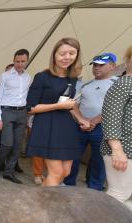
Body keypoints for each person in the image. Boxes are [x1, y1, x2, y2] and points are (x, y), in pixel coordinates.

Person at [26, 38, 83, 187]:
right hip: (47, 126)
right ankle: (45, 209)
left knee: (65, 172)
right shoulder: (42, 77)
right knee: (56, 172)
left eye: (72, 53)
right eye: (62, 53)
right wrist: (57, 106)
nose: (67, 57)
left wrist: (81, 118)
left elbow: (69, 105)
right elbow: (30, 108)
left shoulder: (73, 79)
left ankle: (40, 199)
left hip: (67, 128)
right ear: (54, 55)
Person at [64, 53, 118, 190]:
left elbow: (118, 107)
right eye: (95, 65)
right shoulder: (87, 85)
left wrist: (94, 121)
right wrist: (82, 120)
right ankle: (68, 184)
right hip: (80, 127)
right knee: (72, 156)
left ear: (112, 66)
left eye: (101, 65)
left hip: (103, 128)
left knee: (99, 160)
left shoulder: (118, 84)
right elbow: (74, 104)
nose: (96, 68)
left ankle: (95, 188)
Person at [0, 49, 31, 184]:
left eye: (22, 61)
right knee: (7, 144)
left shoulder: (28, 77)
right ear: (13, 61)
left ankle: (9, 172)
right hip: (6, 112)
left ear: (27, 61)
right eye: (17, 61)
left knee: (17, 146)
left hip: (21, 112)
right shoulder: (5, 76)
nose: (19, 64)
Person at [101, 45, 132, 209]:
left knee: (127, 198)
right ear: (128, 61)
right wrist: (117, 150)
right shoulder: (124, 83)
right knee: (118, 197)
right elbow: (111, 117)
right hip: (124, 150)